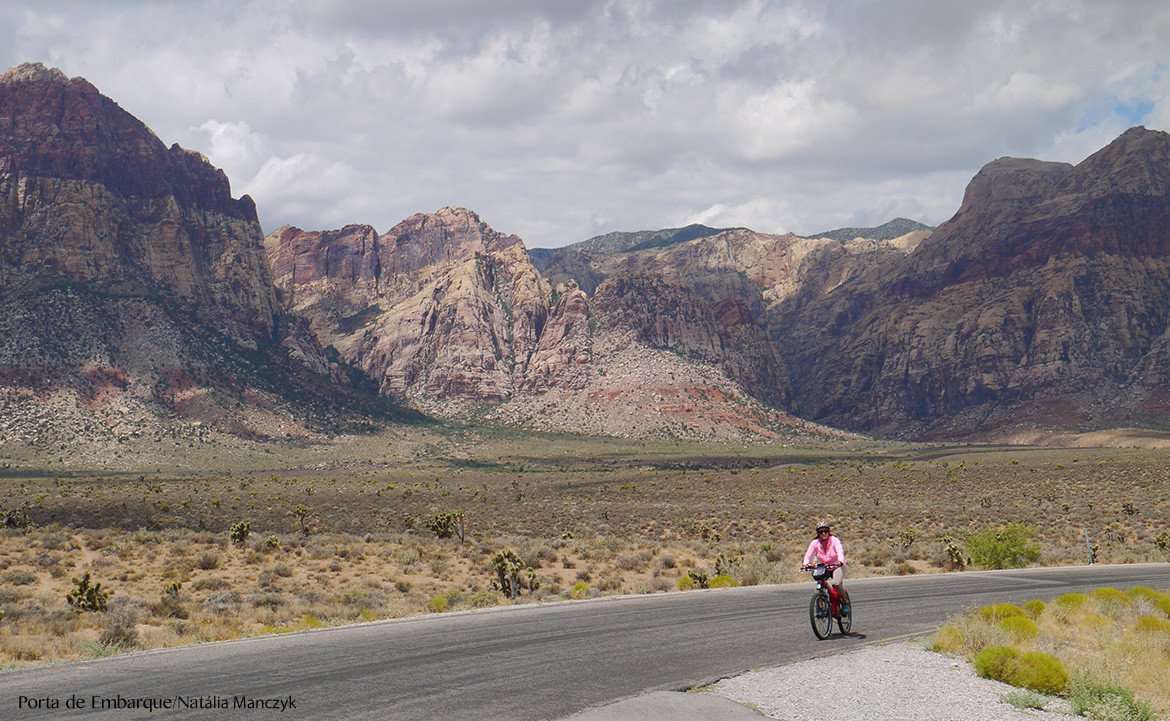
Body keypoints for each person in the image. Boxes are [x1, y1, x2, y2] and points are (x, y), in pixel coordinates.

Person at [802, 521, 848, 608]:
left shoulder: (834, 540)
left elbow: (840, 552)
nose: (823, 533)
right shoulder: (815, 543)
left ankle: (845, 602)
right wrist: (805, 564)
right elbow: (808, 555)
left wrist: (840, 561)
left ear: (828, 531)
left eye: (825, 531)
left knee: (837, 584)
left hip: (837, 566)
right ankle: (821, 607)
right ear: (818, 533)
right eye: (821, 532)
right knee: (821, 584)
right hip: (824, 567)